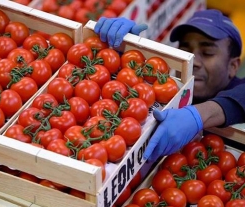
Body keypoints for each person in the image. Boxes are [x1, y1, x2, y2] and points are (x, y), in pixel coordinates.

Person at [94, 9, 245, 162]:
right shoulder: (166, 89)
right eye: (186, 50)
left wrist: (199, 115)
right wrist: (121, 53)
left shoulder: (239, 89)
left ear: (233, 66)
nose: (194, 61)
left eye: (207, 52)